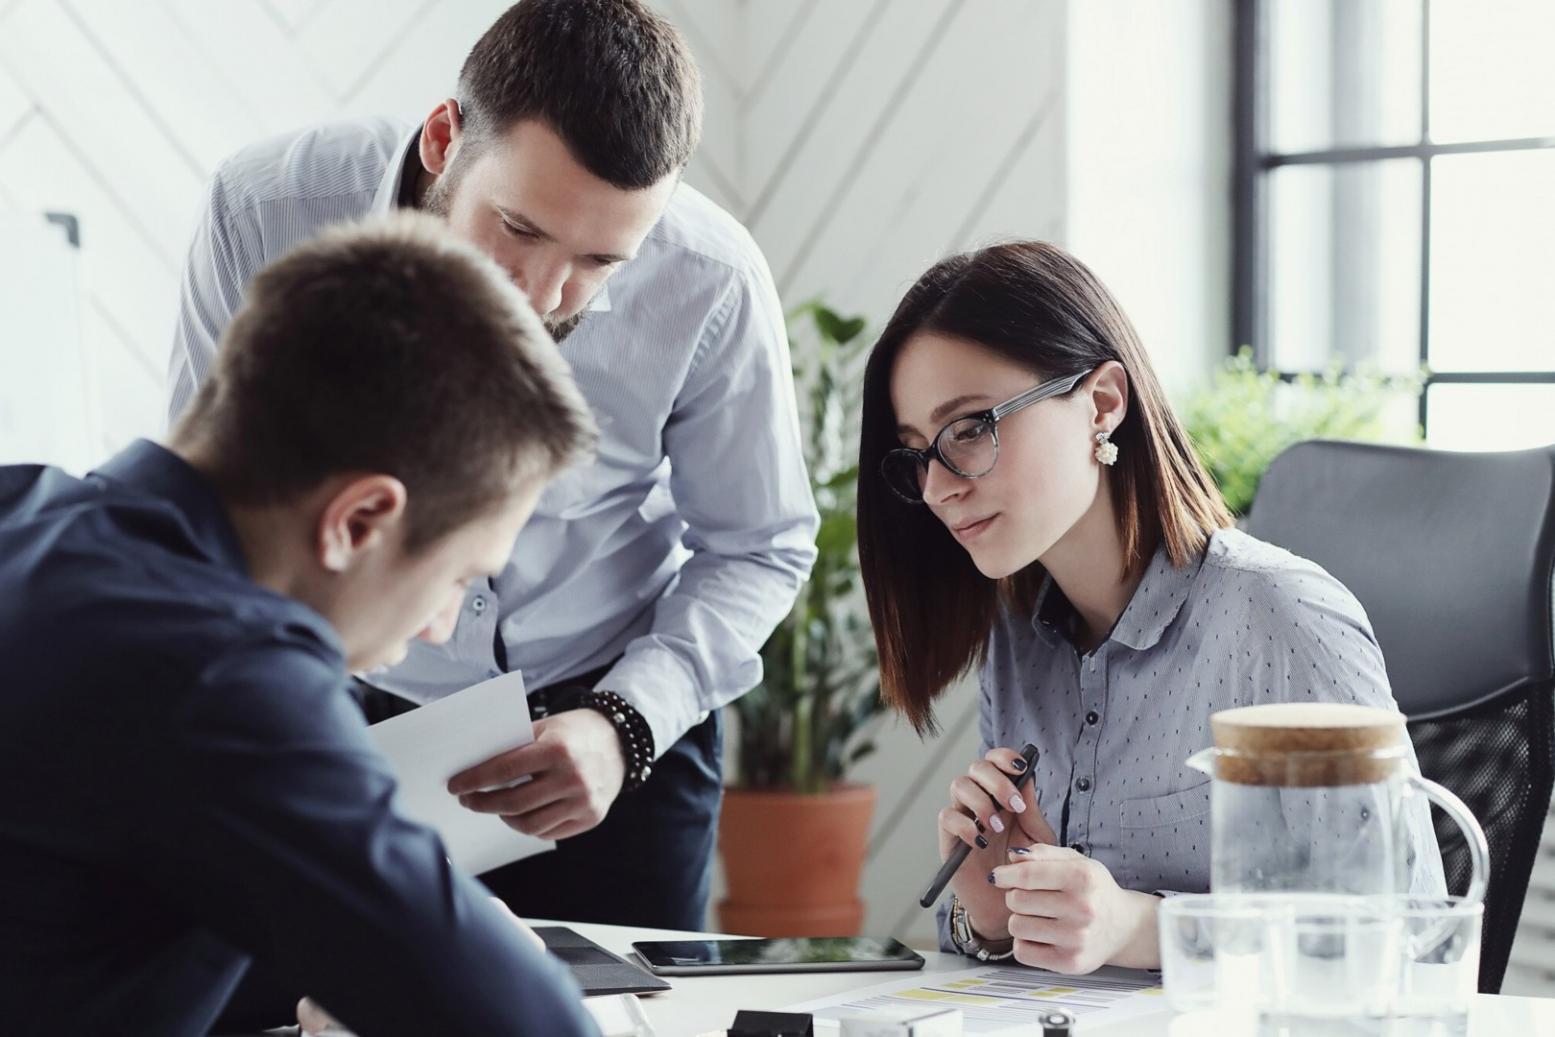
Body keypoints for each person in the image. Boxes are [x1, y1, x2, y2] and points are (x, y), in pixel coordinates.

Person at [165, 0, 817, 935]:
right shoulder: (262, 210)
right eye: (517, 227)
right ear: (444, 138)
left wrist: (623, 724)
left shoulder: (712, 279)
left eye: (600, 260)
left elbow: (759, 545)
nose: (542, 295)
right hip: (328, 709)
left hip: (610, 731)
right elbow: (209, 504)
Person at [0, 214, 603, 1036]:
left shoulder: (22, 515)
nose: (436, 628)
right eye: (458, 576)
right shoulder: (223, 676)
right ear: (358, 521)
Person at [854, 241, 1445, 975]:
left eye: (970, 427)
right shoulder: (1018, 637)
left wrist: (1142, 928)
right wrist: (994, 916)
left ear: (1101, 403)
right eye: (916, 453)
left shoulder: (1283, 618)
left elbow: (1410, 941)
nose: (938, 487)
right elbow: (1022, 963)